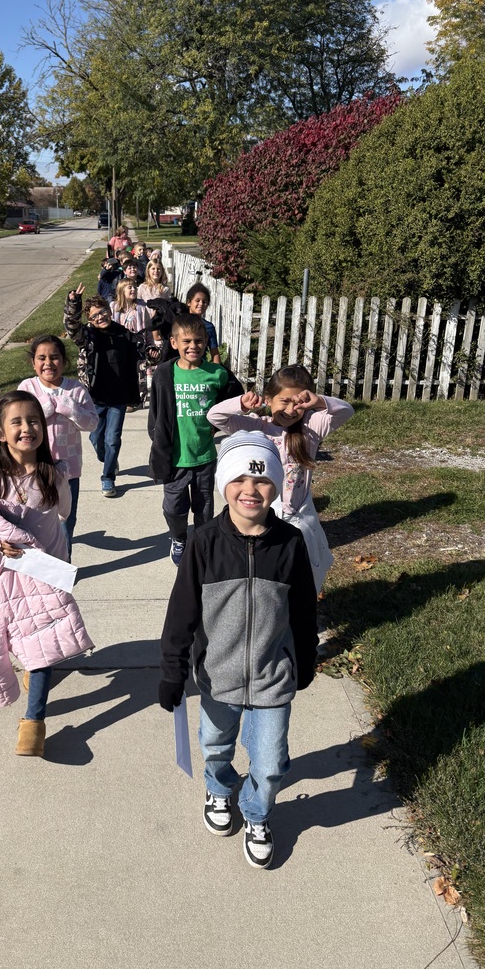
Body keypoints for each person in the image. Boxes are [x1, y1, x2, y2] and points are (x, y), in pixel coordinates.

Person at [157, 431, 319, 868]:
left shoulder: (289, 543)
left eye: (264, 481)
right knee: (215, 745)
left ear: (277, 486)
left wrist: (306, 656)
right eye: (240, 480)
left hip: (273, 676)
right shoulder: (203, 542)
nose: (251, 490)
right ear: (225, 483)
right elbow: (182, 613)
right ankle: (219, 788)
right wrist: (172, 670)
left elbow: (303, 609)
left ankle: (258, 812)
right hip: (218, 675)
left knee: (270, 763)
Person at [0, 391, 93, 758]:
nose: (27, 428)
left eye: (34, 421)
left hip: (43, 575)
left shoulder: (52, 473)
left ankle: (34, 721)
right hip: (1, 579)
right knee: (9, 639)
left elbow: (63, 513)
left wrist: (57, 566)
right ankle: (29, 674)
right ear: (0, 433)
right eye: (17, 422)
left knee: (39, 644)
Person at [207, 364, 354, 592]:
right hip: (264, 516)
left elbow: (346, 411)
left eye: (298, 403)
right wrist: (241, 404)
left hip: (299, 516)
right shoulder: (256, 426)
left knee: (305, 574)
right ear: (269, 399)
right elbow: (214, 416)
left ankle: (302, 614)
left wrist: (318, 402)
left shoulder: (311, 428)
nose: (291, 409)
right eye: (284, 401)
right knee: (270, 573)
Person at [148, 313, 243, 565]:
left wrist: (217, 425)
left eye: (199, 341)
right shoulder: (164, 373)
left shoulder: (217, 373)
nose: (193, 346)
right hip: (175, 458)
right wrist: (157, 439)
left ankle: (203, 545)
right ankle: (179, 537)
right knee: (173, 508)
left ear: (206, 341)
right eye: (187, 341)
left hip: (204, 456)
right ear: (174, 342)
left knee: (204, 509)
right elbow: (155, 412)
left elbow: (236, 398)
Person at [64, 285, 157, 497]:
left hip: (119, 398)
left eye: (103, 312)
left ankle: (108, 477)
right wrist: (74, 303)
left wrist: (153, 353)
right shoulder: (87, 336)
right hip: (94, 398)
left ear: (110, 310)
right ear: (89, 319)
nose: (100, 317)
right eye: (95, 315)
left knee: (113, 438)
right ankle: (109, 459)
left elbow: (145, 353)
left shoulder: (125, 334)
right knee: (96, 439)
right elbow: (71, 326)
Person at [18, 335, 98, 556]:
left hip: (68, 471)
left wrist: (72, 410)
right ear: (33, 363)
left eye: (54, 357)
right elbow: (15, 421)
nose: (48, 363)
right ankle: (37, 563)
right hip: (32, 469)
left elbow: (92, 423)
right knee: (33, 520)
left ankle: (62, 565)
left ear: (64, 361)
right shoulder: (27, 388)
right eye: (41, 358)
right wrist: (40, 412)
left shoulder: (75, 390)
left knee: (65, 522)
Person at [111, 278, 154, 410]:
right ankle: (123, 398)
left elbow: (148, 327)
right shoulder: (114, 307)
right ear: (121, 291)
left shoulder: (141, 307)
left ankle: (138, 400)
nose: (133, 289)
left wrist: (150, 345)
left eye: (134, 287)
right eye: (129, 287)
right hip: (120, 343)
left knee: (139, 372)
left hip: (138, 343)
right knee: (123, 371)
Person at [139, 258, 184, 363]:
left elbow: (168, 307)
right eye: (153, 269)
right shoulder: (142, 287)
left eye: (158, 269)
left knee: (157, 349)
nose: (156, 271)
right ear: (148, 271)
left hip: (159, 322)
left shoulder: (165, 289)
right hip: (146, 321)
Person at [185, 282, 221, 364]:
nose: (201, 304)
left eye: (204, 302)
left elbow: (214, 352)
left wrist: (219, 372)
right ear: (189, 302)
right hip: (181, 368)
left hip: (201, 369)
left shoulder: (209, 327)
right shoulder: (180, 324)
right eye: (197, 300)